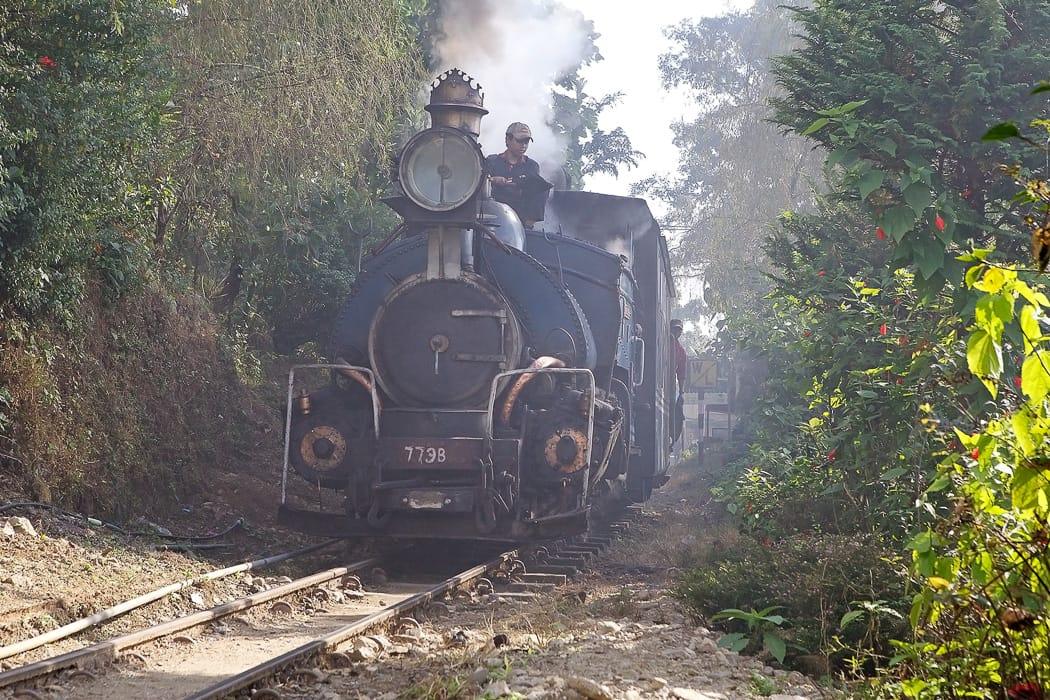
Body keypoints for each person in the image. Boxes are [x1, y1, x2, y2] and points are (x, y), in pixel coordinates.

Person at [485, 122, 550, 226]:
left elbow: (535, 191)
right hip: (492, 216)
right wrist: (491, 179)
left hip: (520, 220)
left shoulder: (531, 166)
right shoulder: (492, 161)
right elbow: (477, 183)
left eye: (526, 142)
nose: (523, 145)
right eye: (519, 141)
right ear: (507, 140)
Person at [671, 319, 687, 446]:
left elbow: (681, 373)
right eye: (674, 329)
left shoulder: (681, 351)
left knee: (677, 411)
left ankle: (672, 438)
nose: (676, 332)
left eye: (679, 330)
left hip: (671, 385)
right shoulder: (664, 342)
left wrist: (681, 392)